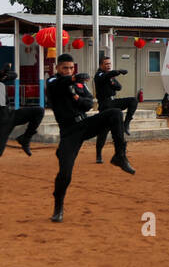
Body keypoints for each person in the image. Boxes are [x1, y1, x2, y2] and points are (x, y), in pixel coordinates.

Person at [46, 54, 138, 223]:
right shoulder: (52, 81)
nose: (68, 71)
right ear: (57, 68)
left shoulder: (78, 83)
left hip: (85, 124)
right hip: (69, 132)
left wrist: (77, 97)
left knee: (115, 113)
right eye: (65, 68)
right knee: (65, 174)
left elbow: (88, 104)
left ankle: (119, 155)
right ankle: (58, 206)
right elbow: (58, 85)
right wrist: (72, 81)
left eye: (71, 68)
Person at [0, 51, 44, 194]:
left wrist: (4, 73)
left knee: (39, 111)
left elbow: (14, 75)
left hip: (11, 113)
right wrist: (2, 73)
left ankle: (25, 138)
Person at [94, 56, 138, 163]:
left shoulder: (110, 76)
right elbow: (106, 76)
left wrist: (112, 80)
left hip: (114, 102)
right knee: (103, 132)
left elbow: (119, 87)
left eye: (109, 64)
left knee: (133, 100)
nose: (108, 66)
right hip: (105, 105)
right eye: (106, 64)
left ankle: (126, 124)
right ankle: (98, 155)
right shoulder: (99, 75)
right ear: (101, 65)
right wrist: (117, 72)